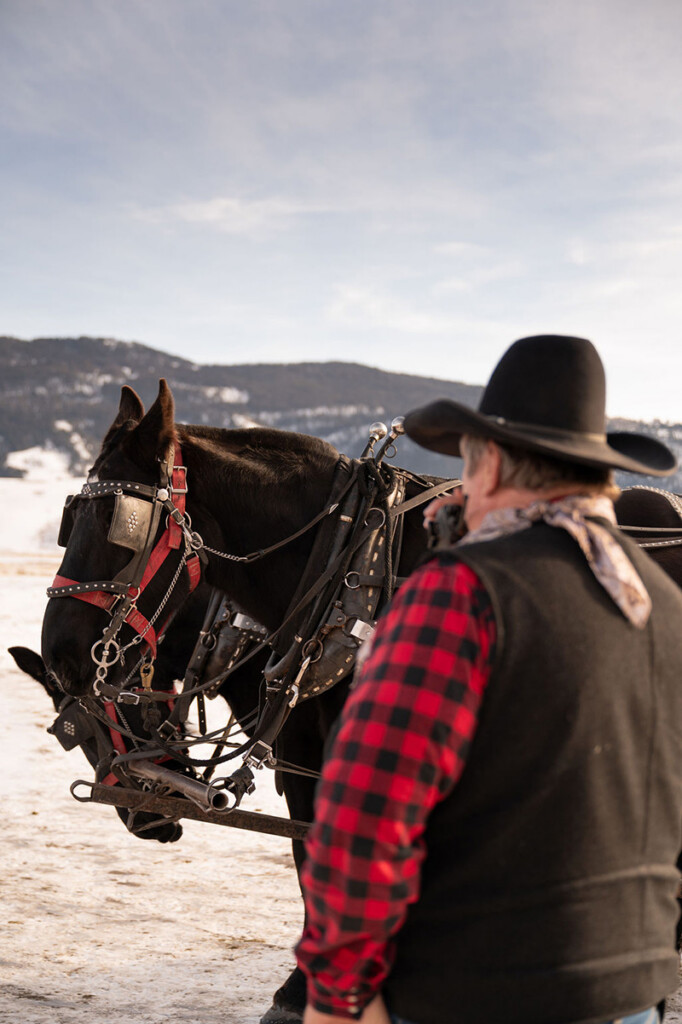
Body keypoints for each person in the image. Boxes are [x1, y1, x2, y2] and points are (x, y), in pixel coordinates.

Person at [294, 335, 682, 1024]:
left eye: (466, 473)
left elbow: (364, 820)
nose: (465, 497)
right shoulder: (664, 604)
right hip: (633, 994)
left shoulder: (462, 591)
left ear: (493, 463)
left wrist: (340, 997)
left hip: (477, 995)